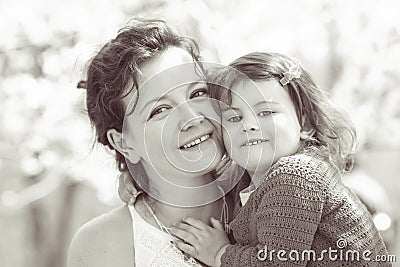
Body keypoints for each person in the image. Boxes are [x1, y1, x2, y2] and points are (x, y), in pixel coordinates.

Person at [169, 52, 390, 266]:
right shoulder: (245, 182)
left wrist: (220, 253)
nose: (249, 125)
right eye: (235, 118)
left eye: (266, 113)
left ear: (303, 123)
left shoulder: (297, 173)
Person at [67, 18, 240, 267]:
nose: (192, 118)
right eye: (160, 110)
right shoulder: (102, 245)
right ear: (124, 142)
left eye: (197, 93)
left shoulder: (270, 199)